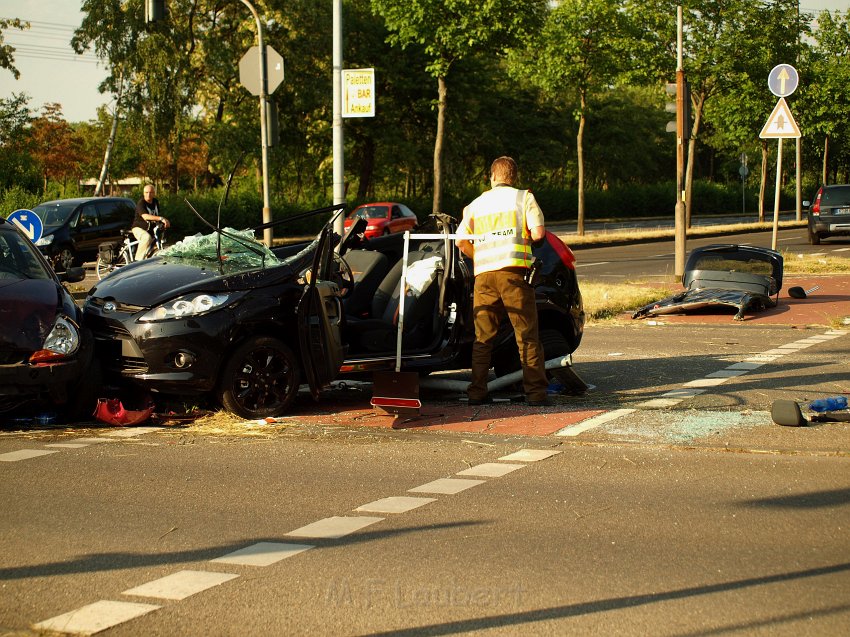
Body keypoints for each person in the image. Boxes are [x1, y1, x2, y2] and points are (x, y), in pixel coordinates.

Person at [456, 156, 550, 407]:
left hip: (484, 276)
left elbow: (460, 241)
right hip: (513, 274)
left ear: (492, 176)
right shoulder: (524, 198)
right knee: (527, 335)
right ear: (514, 177)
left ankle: (477, 392)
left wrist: (481, 256)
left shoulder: (476, 204)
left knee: (483, 338)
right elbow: (539, 233)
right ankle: (536, 394)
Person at [132, 184, 170, 261]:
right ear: (143, 193)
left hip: (150, 228)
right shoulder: (141, 203)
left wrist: (164, 222)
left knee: (160, 241)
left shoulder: (155, 202)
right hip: (138, 228)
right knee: (147, 238)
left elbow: (156, 215)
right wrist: (161, 218)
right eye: (146, 192)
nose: (148, 194)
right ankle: (138, 261)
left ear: (154, 193)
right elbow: (145, 216)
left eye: (151, 192)